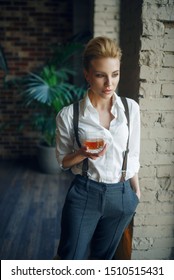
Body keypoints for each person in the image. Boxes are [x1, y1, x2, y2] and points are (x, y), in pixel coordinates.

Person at [55, 36, 141, 260]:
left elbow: (132, 154)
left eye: (115, 74)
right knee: (69, 258)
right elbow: (63, 162)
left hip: (122, 195)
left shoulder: (130, 109)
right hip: (85, 193)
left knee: (103, 260)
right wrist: (82, 153)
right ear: (87, 74)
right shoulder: (69, 115)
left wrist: (135, 194)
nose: (109, 84)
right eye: (100, 75)